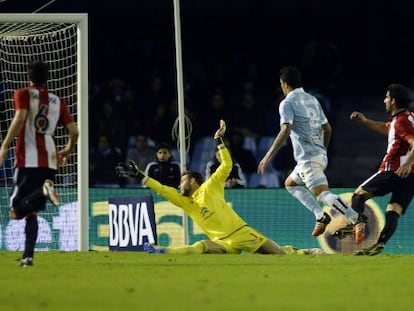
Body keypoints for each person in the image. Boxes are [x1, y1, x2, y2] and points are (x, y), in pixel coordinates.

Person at [116, 120, 323, 255]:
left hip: (240, 232)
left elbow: (227, 165)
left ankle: (303, 252)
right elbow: (161, 189)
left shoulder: (210, 187)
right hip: (222, 242)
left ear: (194, 181)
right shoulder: (186, 202)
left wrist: (219, 141)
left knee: (279, 255)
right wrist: (142, 177)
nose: (179, 184)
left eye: (183, 180)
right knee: (200, 247)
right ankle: (163, 251)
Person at [257, 66, 364, 241]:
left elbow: (285, 130)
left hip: (308, 158)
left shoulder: (287, 103)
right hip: (317, 155)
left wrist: (267, 156)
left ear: (284, 84)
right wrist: (323, 150)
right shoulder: (313, 99)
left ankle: (355, 218)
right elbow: (327, 129)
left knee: (323, 194)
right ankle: (320, 216)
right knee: (291, 183)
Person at [0, 60, 79, 267]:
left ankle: (44, 191)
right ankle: (28, 257)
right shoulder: (57, 100)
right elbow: (74, 131)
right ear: (48, 78)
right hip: (50, 161)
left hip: (27, 160)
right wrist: (68, 151)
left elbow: (19, 118)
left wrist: (5, 145)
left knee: (16, 210)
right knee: (31, 212)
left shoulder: (23, 94)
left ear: (29, 77)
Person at [333, 84, 414, 255]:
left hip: (394, 170)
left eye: (386, 97)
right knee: (394, 209)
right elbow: (387, 129)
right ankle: (379, 244)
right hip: (411, 175)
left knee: (358, 195)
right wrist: (365, 121)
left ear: (393, 101)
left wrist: (406, 164)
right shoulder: (405, 118)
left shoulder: (401, 121)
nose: (384, 100)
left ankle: (357, 222)